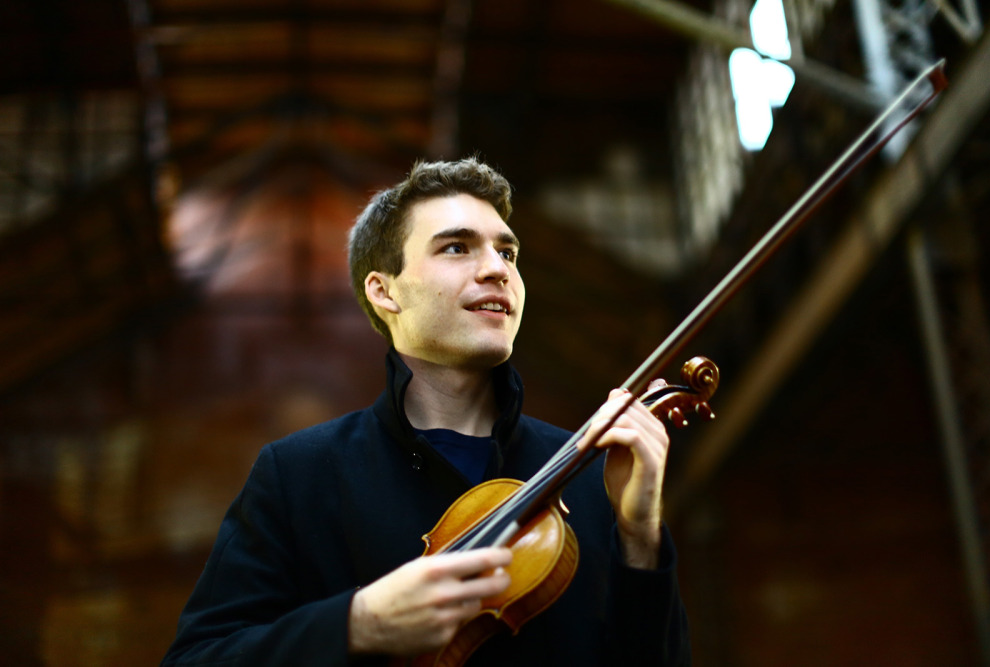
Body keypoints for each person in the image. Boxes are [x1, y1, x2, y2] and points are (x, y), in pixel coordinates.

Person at [161, 158, 691, 666]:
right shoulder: (299, 474)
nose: (496, 270)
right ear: (384, 291)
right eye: (457, 248)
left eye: (507, 253)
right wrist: (356, 624)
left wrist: (640, 535)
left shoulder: (588, 471)